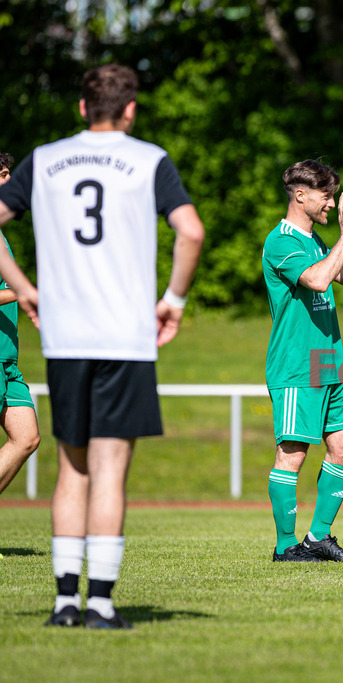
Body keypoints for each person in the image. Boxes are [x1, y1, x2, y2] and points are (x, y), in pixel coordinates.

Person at [0, 64, 205, 629]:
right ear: (131, 109)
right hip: (125, 336)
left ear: (81, 109)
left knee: (73, 469)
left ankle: (64, 603)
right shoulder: (148, 160)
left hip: (65, 335)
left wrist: (23, 289)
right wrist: (174, 299)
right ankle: (101, 604)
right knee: (110, 470)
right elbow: (190, 231)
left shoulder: (43, 159)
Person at [262, 160, 343, 563]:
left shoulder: (315, 242)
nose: (331, 203)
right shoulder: (281, 241)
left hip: (328, 362)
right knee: (293, 452)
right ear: (300, 195)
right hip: (296, 364)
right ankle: (285, 545)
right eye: (326, 196)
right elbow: (319, 279)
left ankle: (317, 538)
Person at [0, 151, 41, 500]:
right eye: (2, 174)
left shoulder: (2, 237)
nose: (8, 182)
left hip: (7, 364)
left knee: (27, 437)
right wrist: (24, 292)